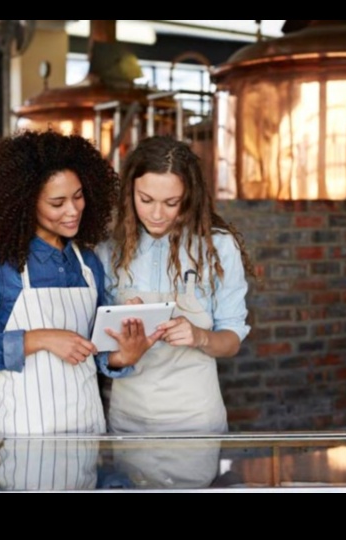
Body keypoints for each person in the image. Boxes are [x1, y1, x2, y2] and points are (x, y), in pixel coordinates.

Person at [0, 129, 134, 436]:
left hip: (89, 430)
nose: (73, 210)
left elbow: (99, 350)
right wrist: (39, 339)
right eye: (57, 203)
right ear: (25, 203)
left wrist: (124, 354)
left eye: (78, 196)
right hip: (24, 436)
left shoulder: (88, 263)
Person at [97, 135, 255, 435]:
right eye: (146, 200)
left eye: (171, 203)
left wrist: (200, 337)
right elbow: (99, 350)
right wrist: (123, 334)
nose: (157, 215)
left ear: (189, 196)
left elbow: (232, 340)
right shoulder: (109, 250)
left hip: (196, 417)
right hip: (128, 418)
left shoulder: (218, 247)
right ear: (130, 192)